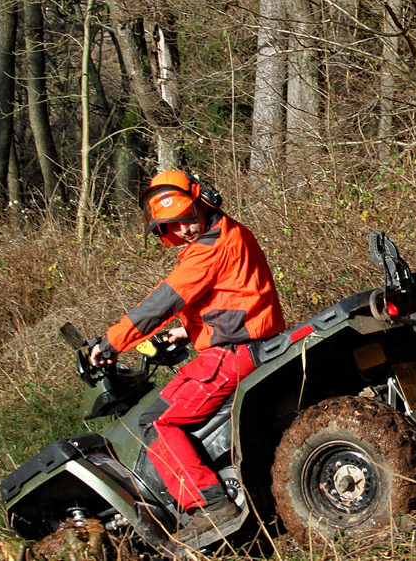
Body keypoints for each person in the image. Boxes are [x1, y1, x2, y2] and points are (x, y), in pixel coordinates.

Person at [89, 169, 285, 544]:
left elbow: (162, 302)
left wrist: (110, 343)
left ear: (203, 203)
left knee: (157, 423)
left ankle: (210, 506)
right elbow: (233, 297)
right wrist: (189, 330)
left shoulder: (208, 249)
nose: (183, 231)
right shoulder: (230, 231)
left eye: (187, 219)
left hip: (231, 355)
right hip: (242, 343)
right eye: (173, 226)